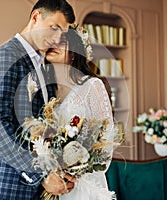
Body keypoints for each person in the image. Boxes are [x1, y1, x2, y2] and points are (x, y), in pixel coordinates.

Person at [0, 1, 76, 199]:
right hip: (10, 183)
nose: (58, 38)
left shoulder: (41, 63)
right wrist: (40, 174)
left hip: (38, 186)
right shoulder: (7, 56)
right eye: (54, 28)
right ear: (35, 17)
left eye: (63, 33)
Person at [45, 25, 117, 200]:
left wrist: (75, 169)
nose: (53, 44)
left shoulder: (92, 86)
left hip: (86, 187)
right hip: (54, 185)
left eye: (62, 41)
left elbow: (106, 143)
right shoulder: (45, 92)